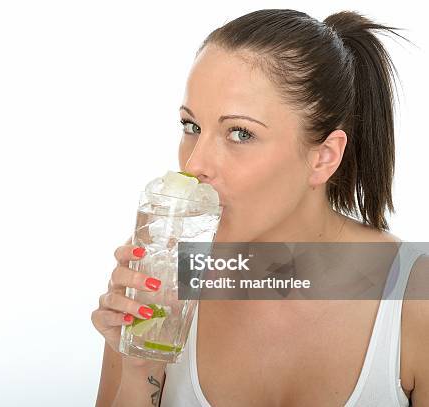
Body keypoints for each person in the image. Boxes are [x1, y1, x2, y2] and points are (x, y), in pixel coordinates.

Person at [91, 9, 429, 406]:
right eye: (191, 126)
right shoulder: (161, 279)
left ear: (323, 157)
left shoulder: (414, 301)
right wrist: (141, 363)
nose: (194, 164)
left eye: (240, 132)